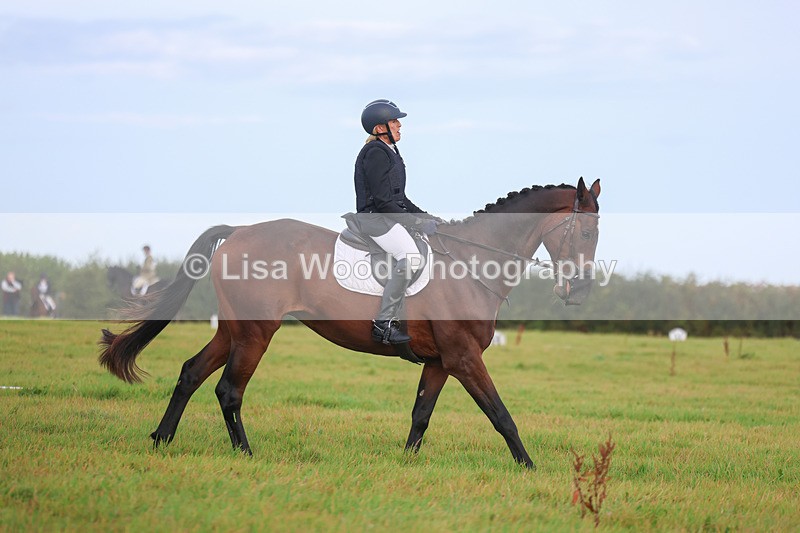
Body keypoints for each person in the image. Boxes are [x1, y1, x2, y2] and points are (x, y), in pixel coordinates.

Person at [354, 99, 440, 346]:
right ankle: (383, 324)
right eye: (394, 121)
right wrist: (417, 224)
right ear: (380, 128)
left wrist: (426, 217)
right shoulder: (375, 153)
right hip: (375, 219)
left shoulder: (390, 151)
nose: (399, 125)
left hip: (387, 216)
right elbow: (383, 202)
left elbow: (400, 199)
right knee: (411, 258)